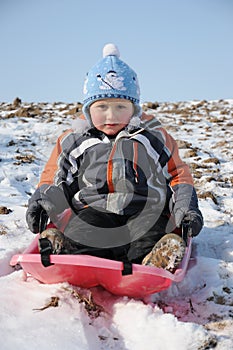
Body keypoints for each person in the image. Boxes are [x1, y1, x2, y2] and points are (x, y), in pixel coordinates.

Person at [26, 43, 203, 272]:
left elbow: (177, 175)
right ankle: (65, 249)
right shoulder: (74, 140)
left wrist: (185, 208)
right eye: (102, 107)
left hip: (146, 209)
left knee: (149, 236)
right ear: (88, 109)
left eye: (121, 106)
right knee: (84, 234)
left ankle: (155, 259)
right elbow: (57, 178)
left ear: (135, 108)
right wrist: (43, 204)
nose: (111, 115)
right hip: (93, 208)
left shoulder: (152, 137)